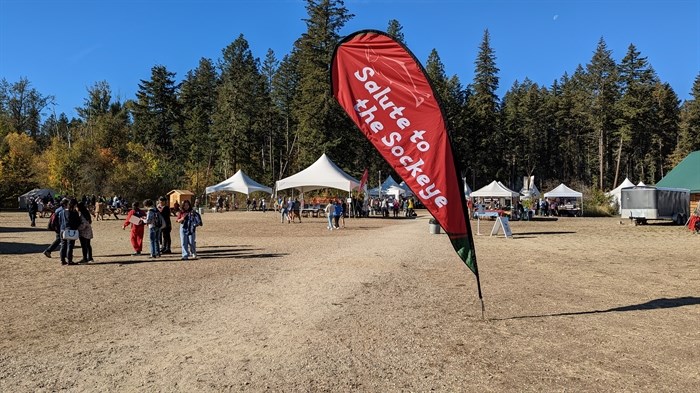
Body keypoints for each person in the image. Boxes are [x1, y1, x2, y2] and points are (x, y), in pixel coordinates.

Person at [60, 199, 82, 265]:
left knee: (63, 246)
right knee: (70, 246)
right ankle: (69, 260)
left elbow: (60, 220)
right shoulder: (73, 212)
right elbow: (78, 221)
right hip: (71, 230)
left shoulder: (63, 212)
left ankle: (62, 260)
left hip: (63, 229)